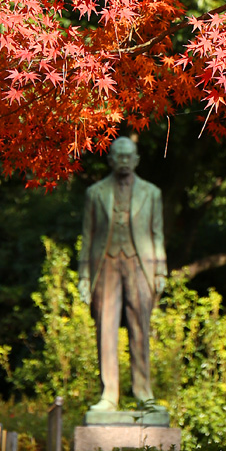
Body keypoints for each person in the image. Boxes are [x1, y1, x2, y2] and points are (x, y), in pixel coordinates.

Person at [78, 136, 167, 412]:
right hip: (104, 265)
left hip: (140, 266)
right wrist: (83, 277)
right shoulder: (95, 193)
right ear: (111, 159)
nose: (125, 161)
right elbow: (87, 236)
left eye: (129, 156)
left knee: (140, 328)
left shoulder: (152, 193)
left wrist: (160, 270)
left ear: (136, 160)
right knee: (105, 329)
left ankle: (144, 393)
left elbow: (157, 234)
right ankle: (109, 394)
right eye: (120, 156)